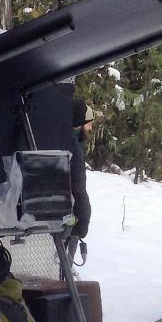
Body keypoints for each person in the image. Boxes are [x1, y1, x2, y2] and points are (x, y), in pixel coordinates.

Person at [69, 99, 94, 258]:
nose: (91, 127)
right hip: (67, 216)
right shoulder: (73, 145)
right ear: (80, 122)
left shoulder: (70, 139)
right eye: (89, 123)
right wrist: (83, 221)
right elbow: (78, 186)